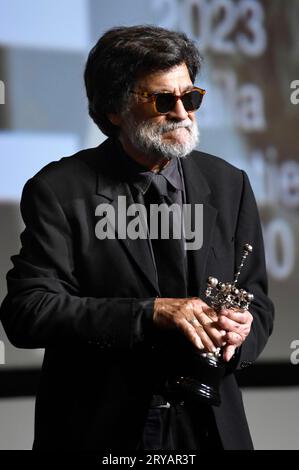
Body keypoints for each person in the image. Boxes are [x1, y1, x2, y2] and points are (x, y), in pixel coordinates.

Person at [0, 25, 274, 450]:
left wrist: (241, 333)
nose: (183, 113)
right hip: (102, 429)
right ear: (114, 108)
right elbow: (28, 312)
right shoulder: (59, 189)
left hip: (210, 428)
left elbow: (257, 299)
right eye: (164, 100)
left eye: (192, 97)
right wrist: (150, 313)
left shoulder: (229, 183)